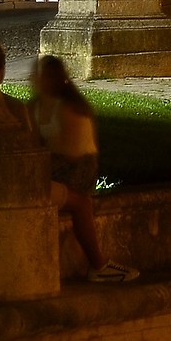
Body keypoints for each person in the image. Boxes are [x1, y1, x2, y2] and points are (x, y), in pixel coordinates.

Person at [29, 54, 136, 283]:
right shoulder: (38, 106)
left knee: (81, 203)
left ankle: (99, 265)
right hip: (54, 166)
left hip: (77, 168)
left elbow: (68, 152)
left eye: (40, 75)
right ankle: (98, 264)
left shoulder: (69, 109)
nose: (33, 79)